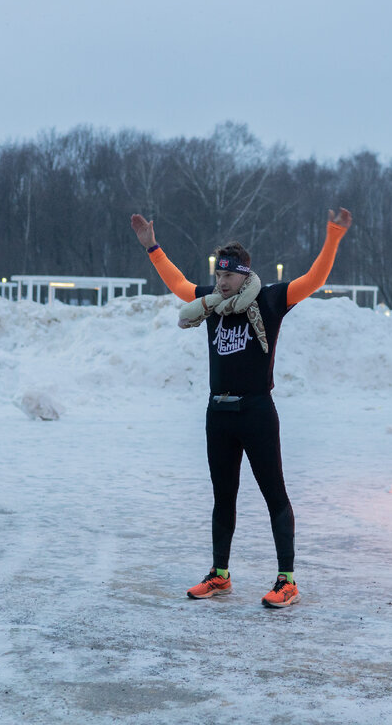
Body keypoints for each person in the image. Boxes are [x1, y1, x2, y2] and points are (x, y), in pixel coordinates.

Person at [130, 208, 352, 608]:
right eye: (217, 275)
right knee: (223, 497)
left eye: (227, 275)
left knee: (274, 495)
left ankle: (287, 580)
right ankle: (220, 574)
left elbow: (314, 280)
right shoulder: (212, 305)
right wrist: (152, 247)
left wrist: (333, 235)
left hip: (256, 412)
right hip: (219, 414)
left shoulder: (269, 300)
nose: (220, 281)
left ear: (244, 275)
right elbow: (179, 284)